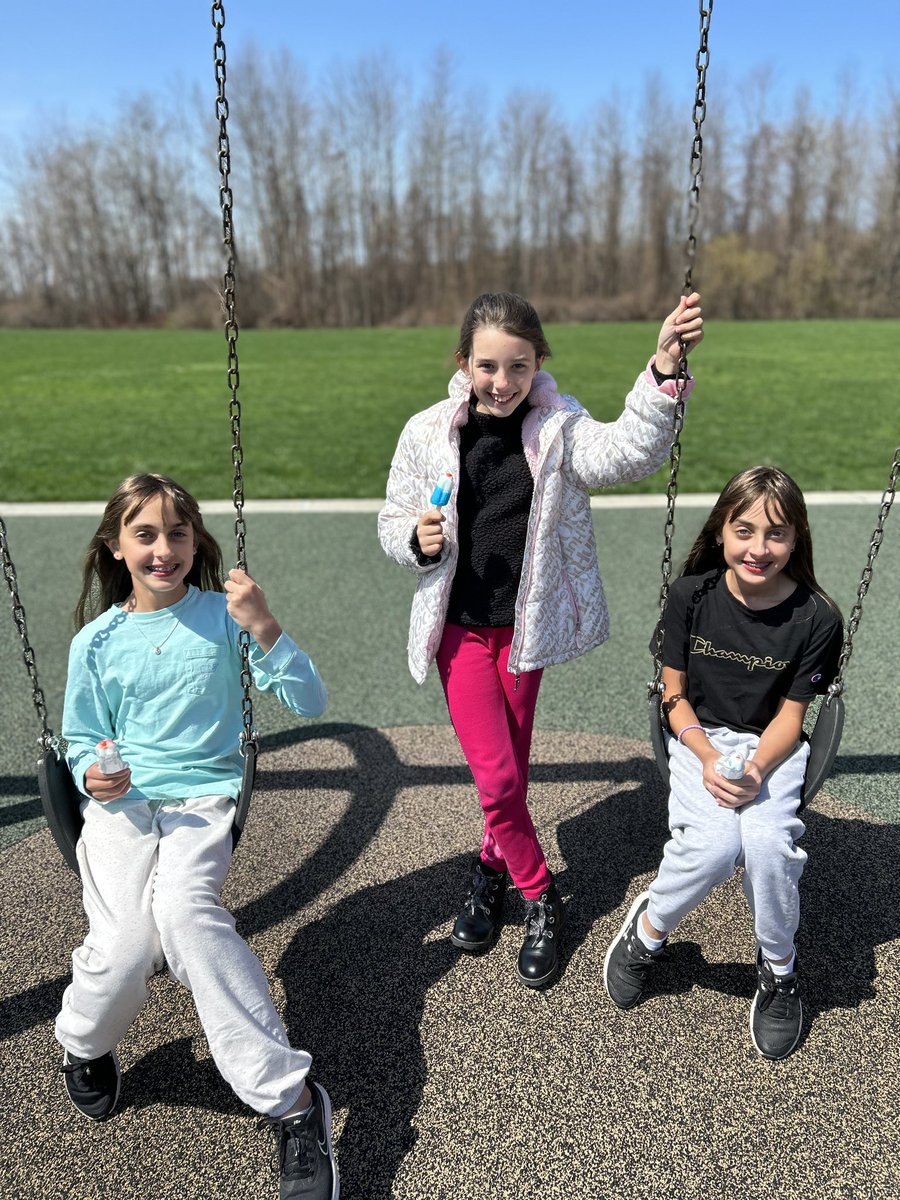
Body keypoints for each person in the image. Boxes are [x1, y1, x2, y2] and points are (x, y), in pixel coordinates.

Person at [378, 290, 704, 988]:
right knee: (496, 779)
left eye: (517, 366)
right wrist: (416, 538)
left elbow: (628, 452)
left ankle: (489, 869)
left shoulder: (560, 427)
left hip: (525, 631)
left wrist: (662, 372)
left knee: (512, 776)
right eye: (487, 366)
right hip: (459, 631)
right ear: (464, 361)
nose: (501, 382)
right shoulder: (427, 432)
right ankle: (540, 895)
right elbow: (393, 517)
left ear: (538, 362)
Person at [56, 473, 339, 1200]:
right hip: (124, 808)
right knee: (125, 947)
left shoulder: (223, 616)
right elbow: (81, 738)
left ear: (196, 541)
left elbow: (309, 700)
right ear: (116, 547)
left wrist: (265, 626)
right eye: (144, 534)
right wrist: (93, 772)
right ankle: (82, 1043)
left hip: (202, 800)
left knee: (185, 916)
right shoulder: (96, 642)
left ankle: (293, 1103)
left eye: (177, 533)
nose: (163, 548)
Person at [603, 466, 843, 1060]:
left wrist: (757, 768)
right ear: (720, 533)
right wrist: (707, 756)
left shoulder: (817, 619)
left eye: (777, 534)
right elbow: (673, 694)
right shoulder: (691, 597)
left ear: (797, 539)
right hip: (698, 734)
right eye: (744, 530)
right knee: (711, 847)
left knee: (766, 845)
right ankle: (649, 930)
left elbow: (791, 717)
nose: (759, 549)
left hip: (772, 746)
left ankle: (779, 969)